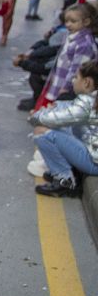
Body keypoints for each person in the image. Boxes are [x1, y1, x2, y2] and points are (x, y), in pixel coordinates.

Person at [31, 61, 98, 197]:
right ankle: (67, 171)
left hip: (94, 162)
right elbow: (66, 109)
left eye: (76, 77)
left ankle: (65, 181)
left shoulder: (87, 103)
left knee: (41, 132)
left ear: (87, 82)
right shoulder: (92, 99)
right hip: (93, 154)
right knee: (61, 126)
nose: (73, 81)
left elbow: (50, 119)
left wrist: (36, 114)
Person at [36, 2, 98, 109]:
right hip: (59, 81)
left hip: (67, 88)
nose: (68, 24)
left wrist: (66, 87)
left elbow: (77, 69)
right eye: (66, 21)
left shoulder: (84, 45)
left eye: (73, 21)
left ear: (86, 22)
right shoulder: (72, 36)